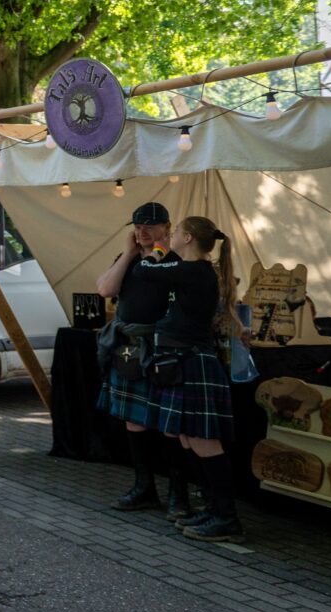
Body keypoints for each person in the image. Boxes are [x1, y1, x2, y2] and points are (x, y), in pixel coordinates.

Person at [136, 216, 244, 542]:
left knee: (203, 440)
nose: (172, 238)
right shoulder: (193, 271)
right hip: (184, 362)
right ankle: (213, 509)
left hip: (193, 362)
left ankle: (226, 517)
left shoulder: (195, 270)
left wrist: (156, 248)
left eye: (177, 233)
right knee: (186, 438)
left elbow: (144, 272)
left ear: (187, 238)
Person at [95, 203, 193, 519]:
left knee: (169, 425)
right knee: (134, 420)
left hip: (163, 348)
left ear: (168, 226)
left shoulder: (176, 262)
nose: (143, 232)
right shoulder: (128, 260)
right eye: (138, 226)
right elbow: (105, 289)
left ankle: (179, 496)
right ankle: (144, 488)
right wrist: (127, 252)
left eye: (150, 226)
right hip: (129, 349)